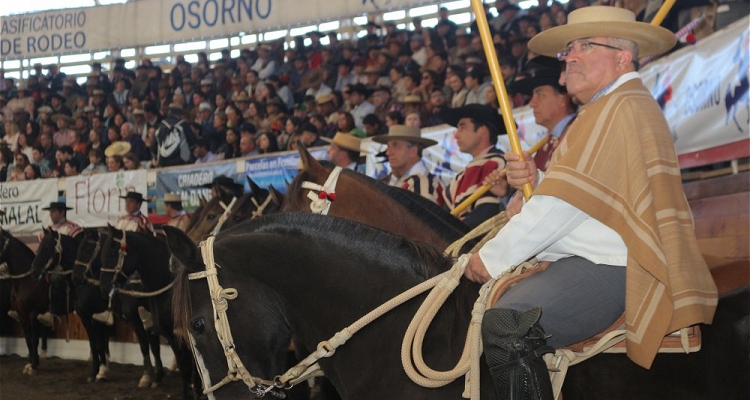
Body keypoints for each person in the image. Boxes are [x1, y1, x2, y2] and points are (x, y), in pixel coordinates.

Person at [465, 8, 718, 400]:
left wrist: (490, 257)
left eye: (586, 46)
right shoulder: (613, 106)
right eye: (569, 49)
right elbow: (590, 198)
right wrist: (539, 182)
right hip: (601, 256)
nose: (571, 56)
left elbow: (565, 207)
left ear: (622, 57)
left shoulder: (618, 107)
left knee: (506, 322)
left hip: (616, 265)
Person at [439, 104, 508, 228]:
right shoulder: (460, 176)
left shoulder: (497, 164)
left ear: (482, 130)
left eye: (462, 127)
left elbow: (486, 216)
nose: (456, 135)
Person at [372, 125, 442, 203]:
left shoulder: (425, 186)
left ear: (413, 151)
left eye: (395, 145)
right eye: (388, 146)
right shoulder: (415, 183)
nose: (388, 152)